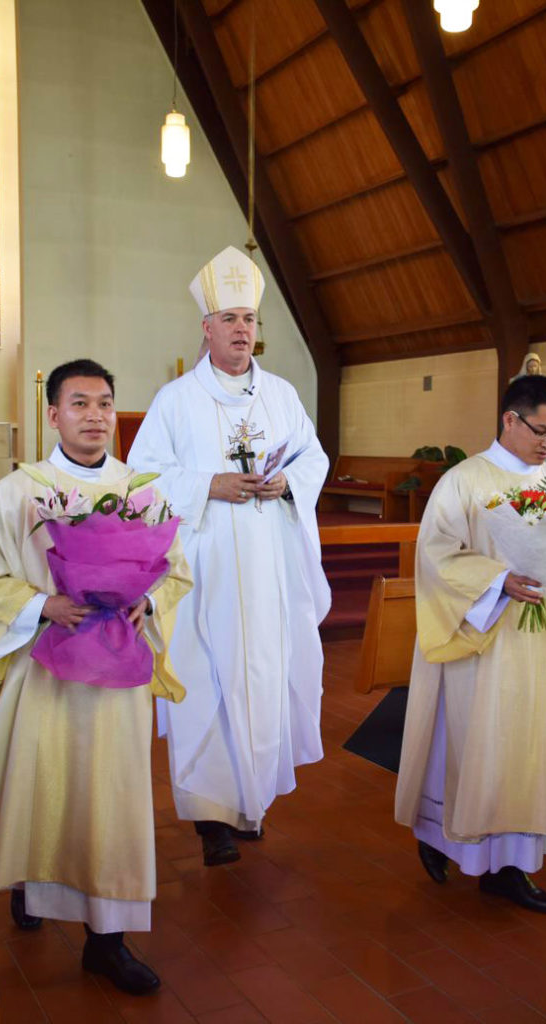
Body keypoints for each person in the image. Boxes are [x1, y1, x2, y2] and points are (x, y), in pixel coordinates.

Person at [0, 359, 192, 994]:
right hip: (47, 673)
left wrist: (150, 599)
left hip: (117, 674)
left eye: (105, 404)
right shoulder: (21, 490)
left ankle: (107, 941)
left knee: (112, 798)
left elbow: (174, 567)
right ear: (54, 414)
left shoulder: (142, 490)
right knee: (45, 783)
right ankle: (32, 884)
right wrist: (43, 605)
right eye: (80, 404)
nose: (95, 416)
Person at [129, 245, 331, 867]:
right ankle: (209, 816)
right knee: (204, 679)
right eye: (231, 320)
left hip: (268, 563)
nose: (243, 330)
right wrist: (206, 485)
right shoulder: (174, 402)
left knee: (262, 675)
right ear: (207, 328)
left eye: (250, 320)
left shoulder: (283, 396)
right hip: (204, 568)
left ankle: (250, 805)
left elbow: (313, 458)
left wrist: (288, 484)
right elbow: (140, 479)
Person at [394, 374, 546, 913]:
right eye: (541, 430)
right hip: (478, 641)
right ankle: (440, 836)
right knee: (470, 746)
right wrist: (495, 580)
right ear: (509, 419)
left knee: (528, 751)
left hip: (537, 650)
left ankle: (511, 868)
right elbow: (435, 556)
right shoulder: (464, 480)